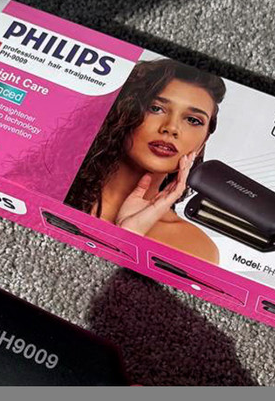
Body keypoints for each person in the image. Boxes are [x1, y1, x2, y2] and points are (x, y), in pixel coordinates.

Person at [65, 59, 226, 264]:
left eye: (193, 120)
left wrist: (128, 236)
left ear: (202, 143)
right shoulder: (54, 184)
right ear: (122, 113)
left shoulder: (194, 248)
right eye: (156, 108)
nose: (171, 128)